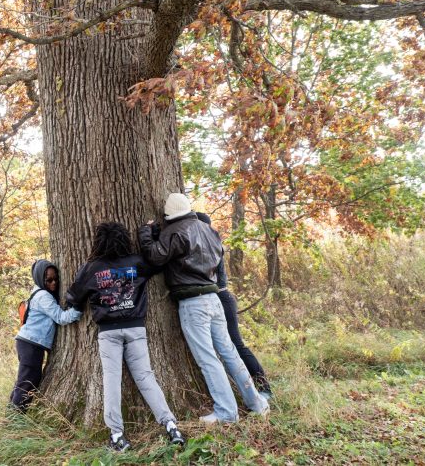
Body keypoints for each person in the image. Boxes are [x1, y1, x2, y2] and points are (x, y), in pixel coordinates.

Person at [139, 193, 269, 424]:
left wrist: (146, 235)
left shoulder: (175, 230)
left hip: (192, 302)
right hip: (213, 297)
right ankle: (257, 402)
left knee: (208, 359)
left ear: (169, 214)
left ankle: (227, 412)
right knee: (228, 352)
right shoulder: (208, 229)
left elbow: (155, 258)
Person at [66, 222, 186, 453]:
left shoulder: (91, 269)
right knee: (146, 377)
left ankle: (117, 435)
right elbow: (158, 261)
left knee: (112, 380)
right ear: (124, 240)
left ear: (98, 242)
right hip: (135, 329)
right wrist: (150, 233)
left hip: (108, 332)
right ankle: (171, 426)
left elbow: (73, 298)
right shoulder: (137, 263)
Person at [196, 211, 272, 399]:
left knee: (236, 345)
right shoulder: (210, 243)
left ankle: (263, 387)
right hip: (219, 298)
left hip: (221, 298)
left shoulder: (209, 246)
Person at [10, 259, 81, 412]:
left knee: (25, 380)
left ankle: (12, 412)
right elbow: (61, 318)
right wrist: (79, 309)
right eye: (49, 280)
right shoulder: (43, 295)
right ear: (40, 278)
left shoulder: (38, 291)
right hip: (30, 345)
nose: (54, 283)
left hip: (29, 343)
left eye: (56, 279)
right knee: (28, 381)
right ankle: (15, 417)